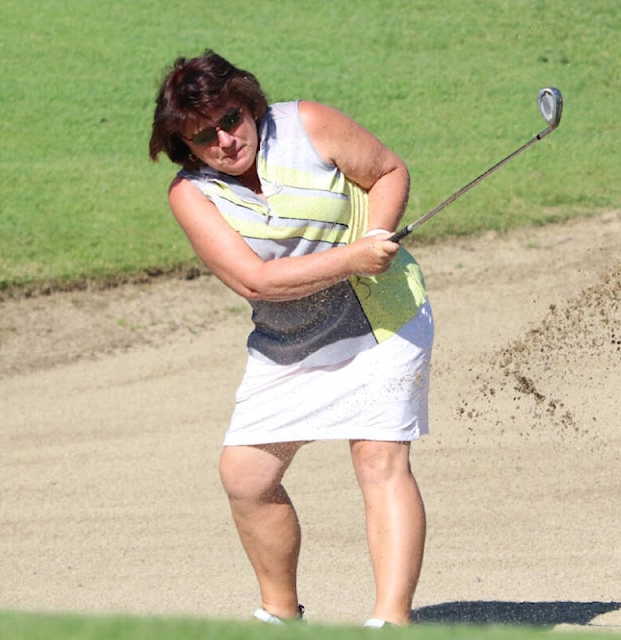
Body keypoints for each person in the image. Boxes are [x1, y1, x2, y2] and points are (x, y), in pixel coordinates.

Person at [148, 50, 433, 629]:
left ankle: (391, 621)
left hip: (382, 317)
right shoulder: (192, 195)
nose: (225, 140)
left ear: (247, 105)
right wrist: (352, 256)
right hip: (289, 339)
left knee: (379, 459)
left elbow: (386, 171)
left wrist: (376, 234)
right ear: (186, 148)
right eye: (204, 137)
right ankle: (281, 614)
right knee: (246, 476)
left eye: (231, 119)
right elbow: (257, 281)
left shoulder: (308, 124)